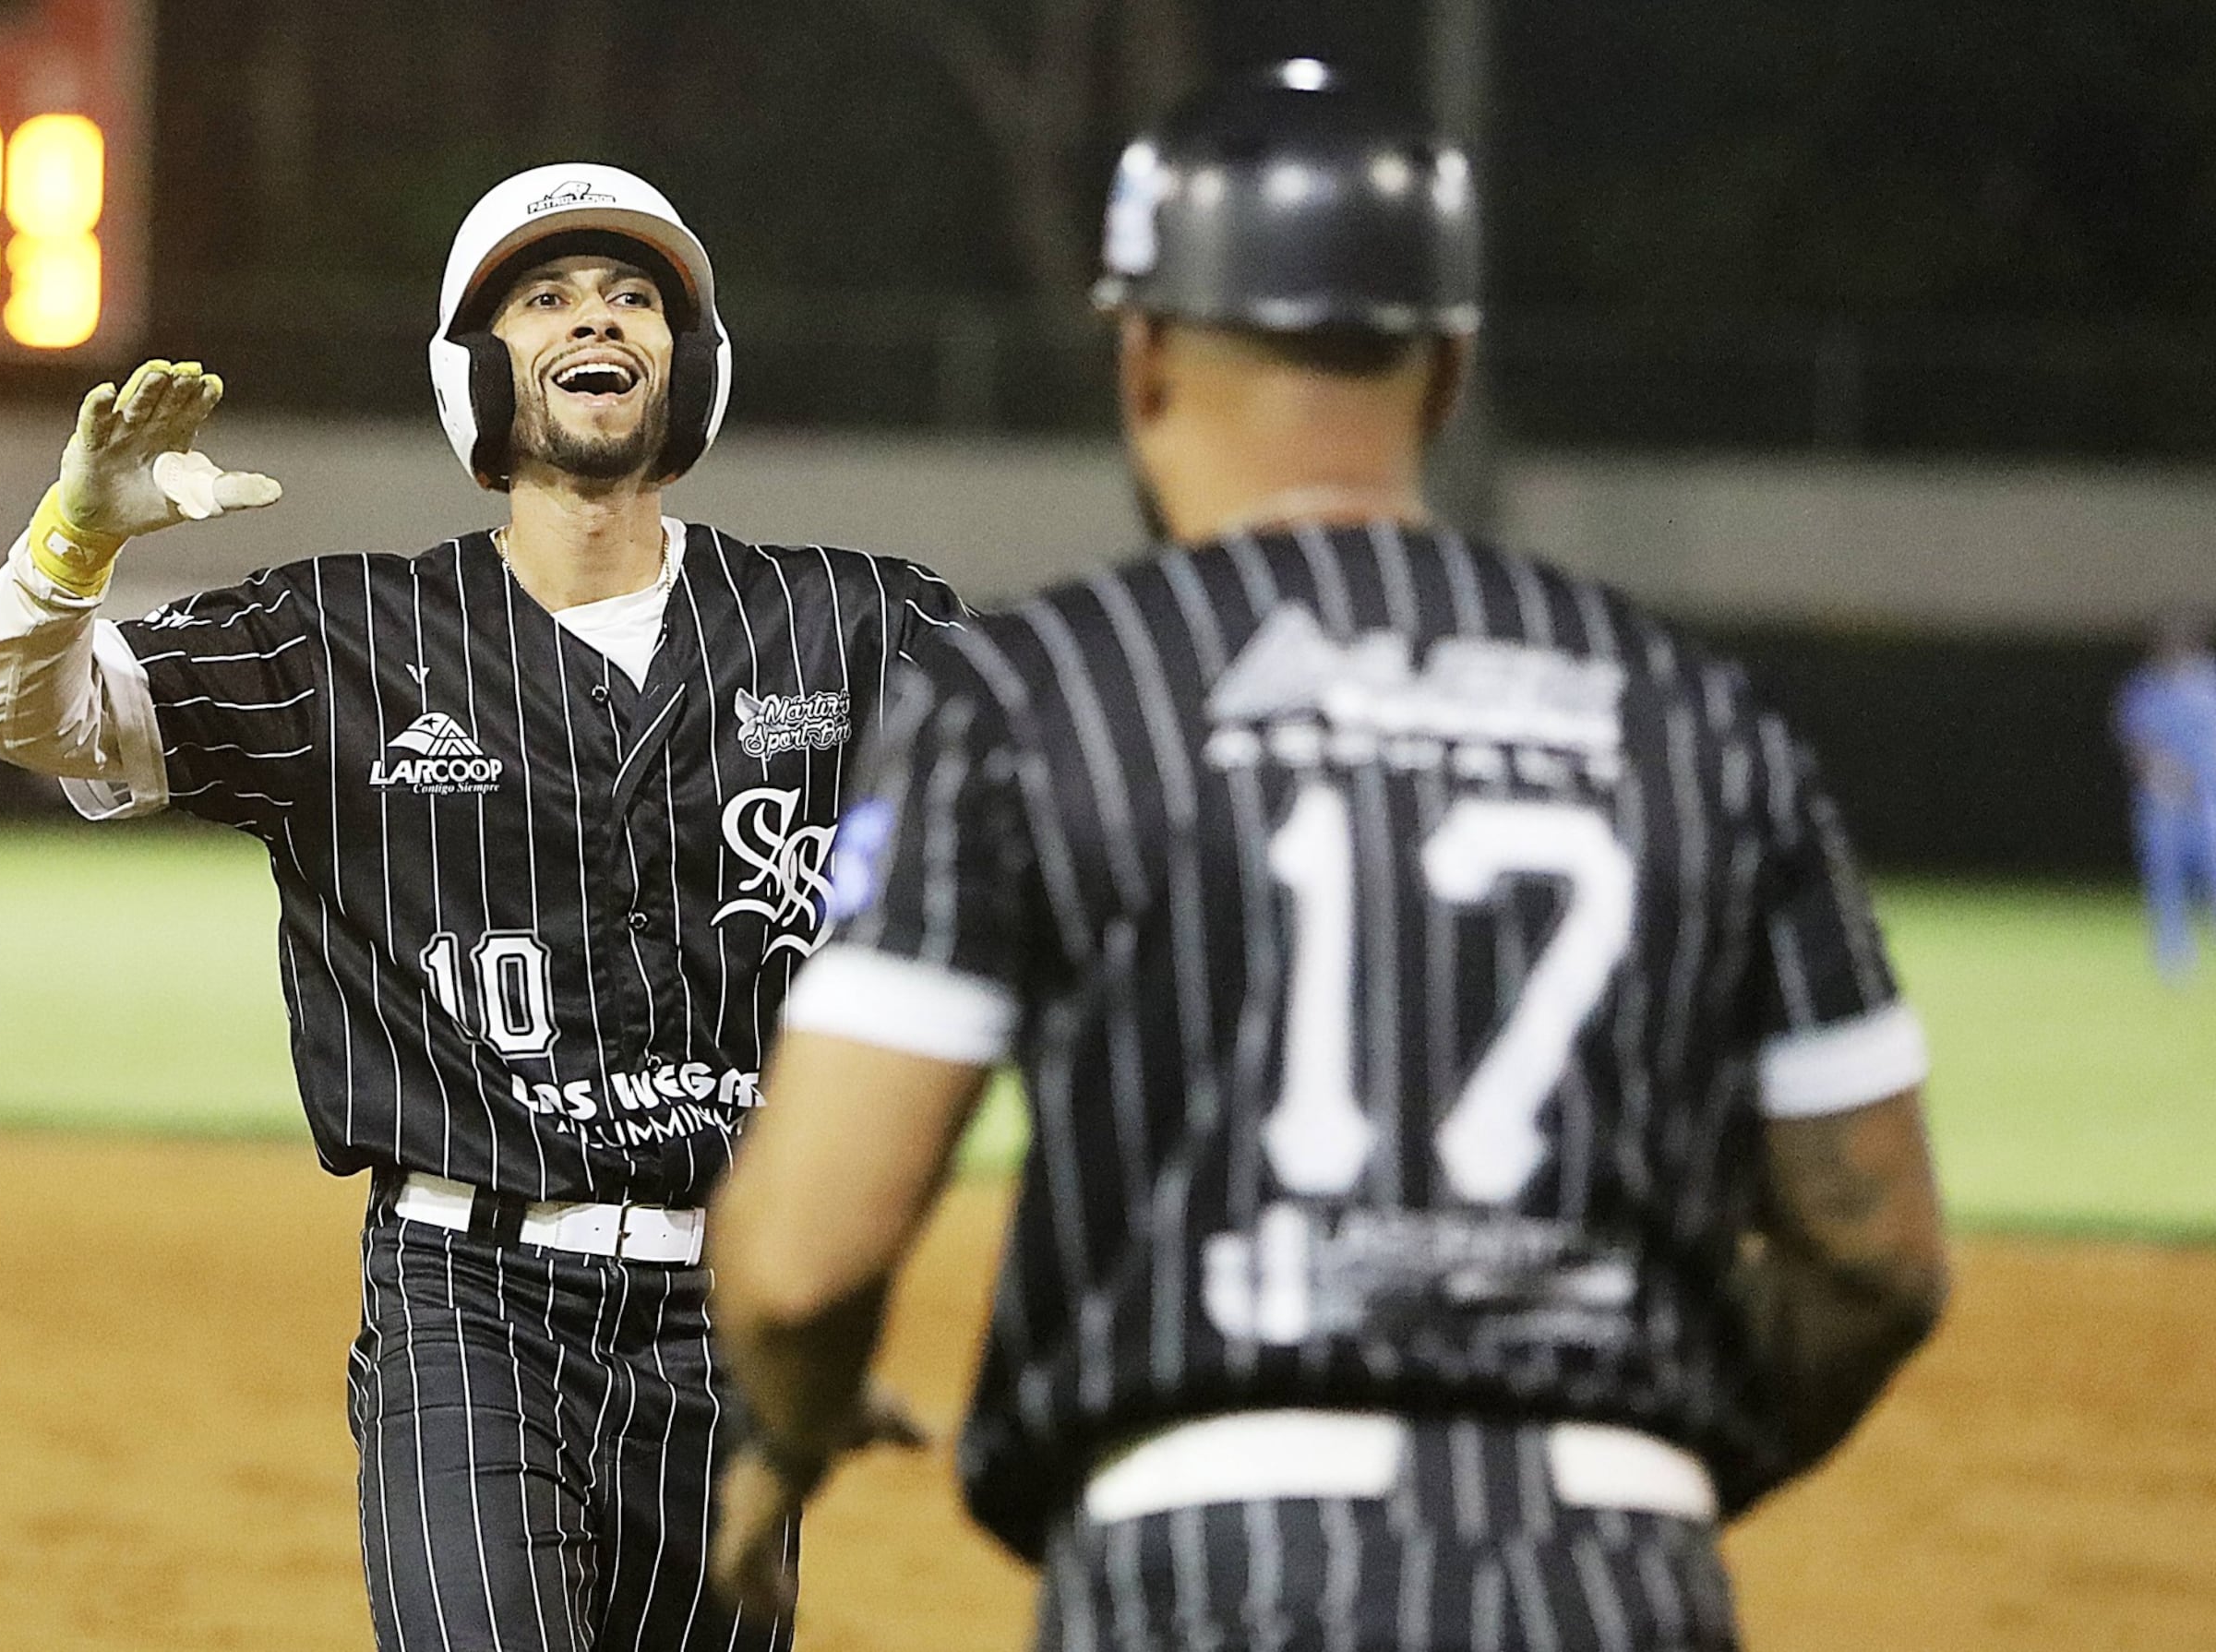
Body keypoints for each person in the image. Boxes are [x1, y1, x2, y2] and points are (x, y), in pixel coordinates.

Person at [703, 63, 1950, 1652]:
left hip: (1214, 1568)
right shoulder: (1703, 717)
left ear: (1142, 353)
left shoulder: (1035, 694)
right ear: (1448, 368)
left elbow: (806, 1264)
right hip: (1622, 1575)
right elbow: (1881, 1258)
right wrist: (1624, 1464)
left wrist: (791, 1434)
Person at [0, 161, 958, 1652]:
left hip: (728, 1322)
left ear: (696, 369)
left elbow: (1076, 782)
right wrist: (75, 540)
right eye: (543, 299)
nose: (593, 320)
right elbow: (18, 715)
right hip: (470, 1304)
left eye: (633, 299)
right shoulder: (340, 639)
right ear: (476, 376)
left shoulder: (856, 624)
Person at [2113, 617, 2216, 979]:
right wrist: (2161, 771)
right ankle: (2174, 957)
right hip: (2164, 802)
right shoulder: (2144, 688)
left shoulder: (2209, 683)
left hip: (2209, 801)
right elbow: (2134, 741)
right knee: (2165, 880)